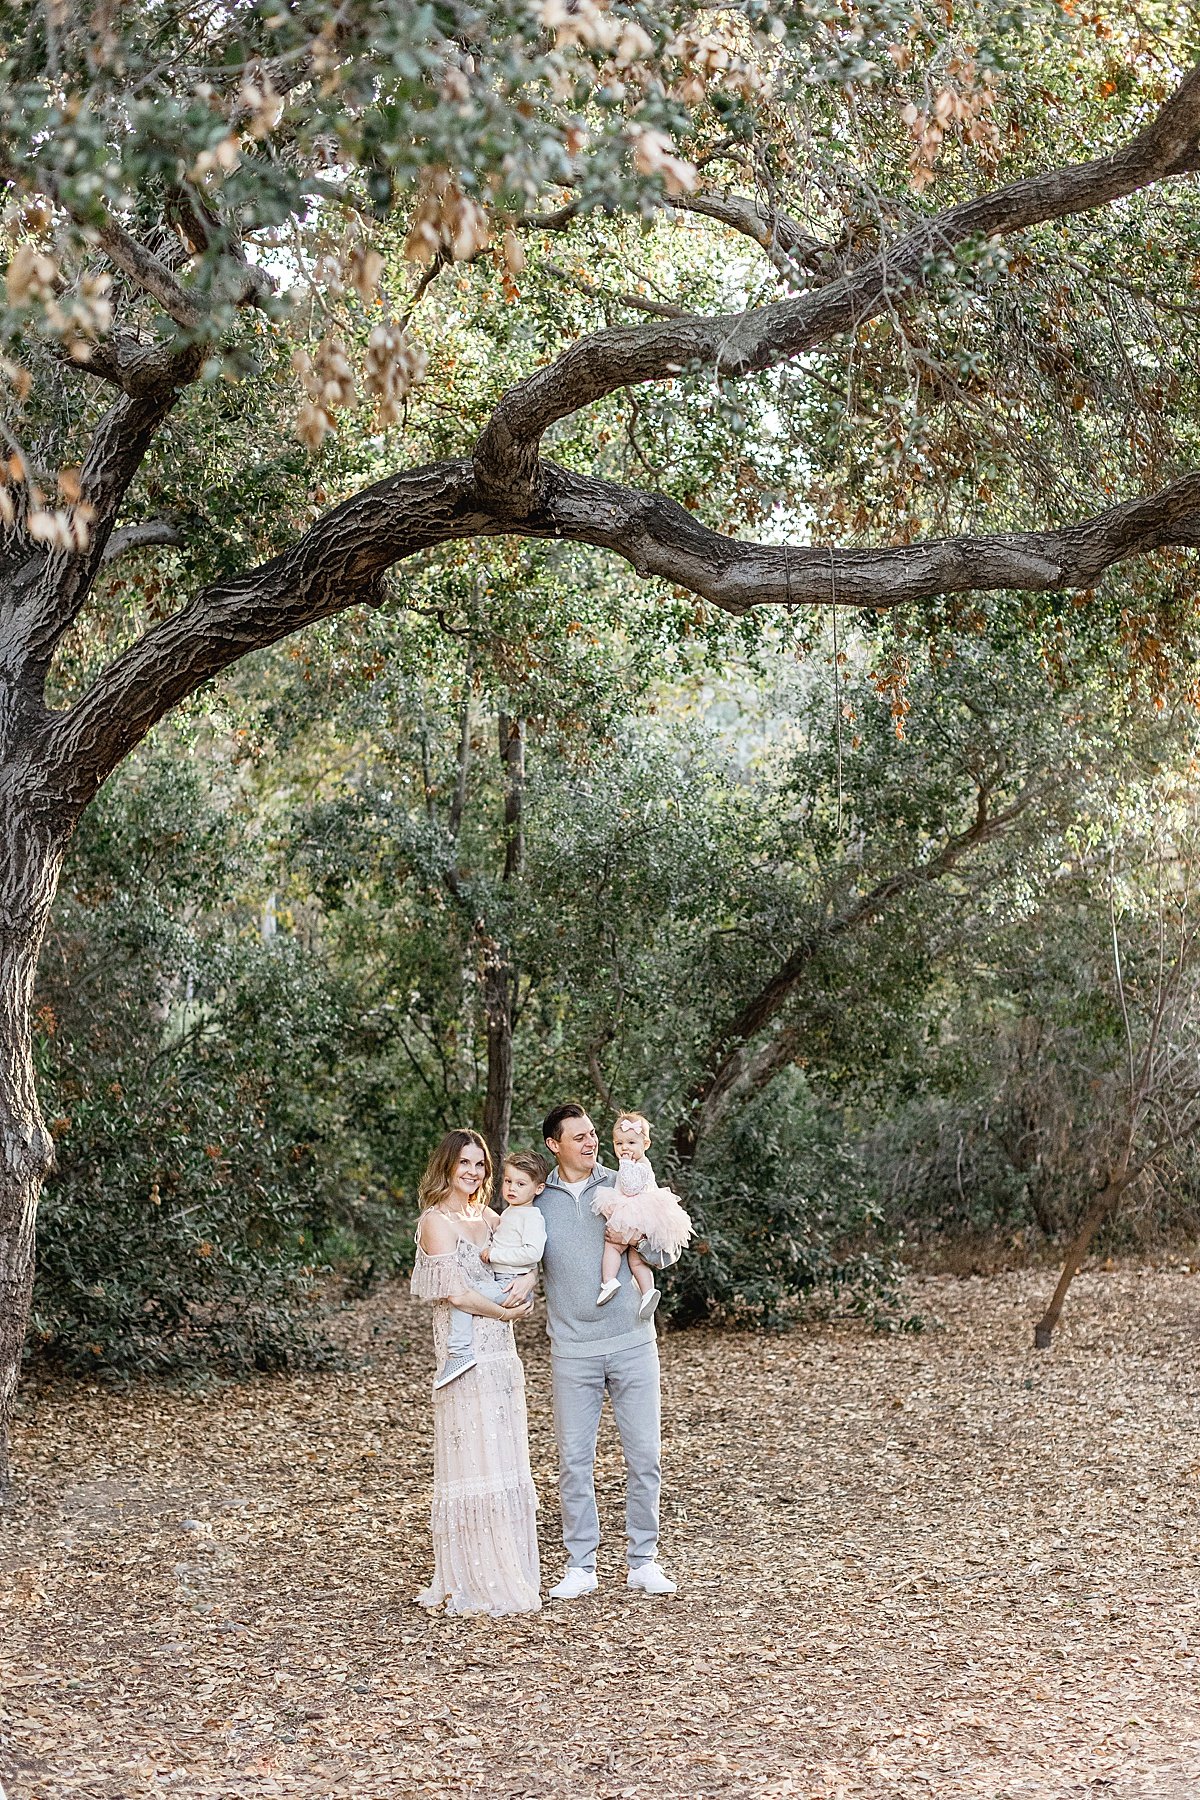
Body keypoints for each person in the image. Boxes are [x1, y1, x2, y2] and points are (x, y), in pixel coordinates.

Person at [502, 1101, 681, 1601]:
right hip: (572, 1350)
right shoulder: (535, 1198)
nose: (591, 1142)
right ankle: (582, 1564)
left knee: (645, 1457)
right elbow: (521, 1254)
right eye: (577, 1136)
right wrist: (518, 1286)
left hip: (632, 1342)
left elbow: (666, 1253)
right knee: (574, 1462)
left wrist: (638, 1239)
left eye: (593, 1134)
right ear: (553, 1145)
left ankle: (643, 1560)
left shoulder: (625, 1181)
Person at [409, 1128, 541, 1617]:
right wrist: (505, 1313)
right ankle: (473, 1578)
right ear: (446, 1166)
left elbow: (526, 1258)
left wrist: (524, 1287)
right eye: (464, 1163)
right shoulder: (436, 1222)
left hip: (502, 1357)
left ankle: (507, 1570)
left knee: (502, 1457)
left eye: (480, 1164)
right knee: (472, 1461)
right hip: (464, 1360)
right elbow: (457, 1296)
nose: (473, 1172)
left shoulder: (490, 1217)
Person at [435, 1150, 548, 1389]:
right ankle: (461, 1352)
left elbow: (533, 1252)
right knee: (464, 1293)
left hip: (508, 1283)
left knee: (465, 1291)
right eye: (508, 1181)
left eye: (520, 1184)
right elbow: (509, 1242)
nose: (511, 1188)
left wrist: (523, 1271)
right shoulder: (509, 1212)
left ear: (538, 1189)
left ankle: (459, 1352)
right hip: (503, 1281)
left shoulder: (531, 1216)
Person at [592, 1111, 693, 1318]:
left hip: (636, 1213)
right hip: (640, 1214)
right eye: (619, 1144)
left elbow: (629, 1188)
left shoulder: (640, 1165)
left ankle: (609, 1280)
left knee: (613, 1245)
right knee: (636, 1260)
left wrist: (625, 1164)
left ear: (645, 1144)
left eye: (631, 1143)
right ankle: (648, 1292)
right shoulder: (634, 1162)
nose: (624, 1149)